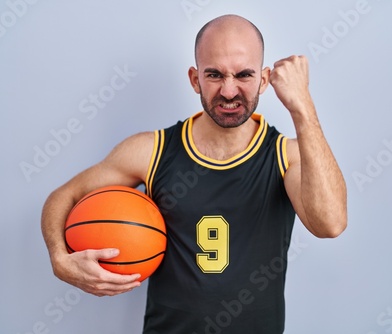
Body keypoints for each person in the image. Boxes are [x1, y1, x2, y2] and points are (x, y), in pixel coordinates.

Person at [41, 14, 347, 334]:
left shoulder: (287, 155)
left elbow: (331, 224)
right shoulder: (151, 150)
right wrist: (60, 260)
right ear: (194, 79)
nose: (229, 91)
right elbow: (63, 196)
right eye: (214, 74)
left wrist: (303, 107)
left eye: (244, 75)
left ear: (265, 79)